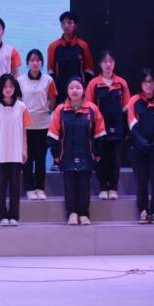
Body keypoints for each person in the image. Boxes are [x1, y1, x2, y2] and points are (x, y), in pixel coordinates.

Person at [48, 78, 105, 225]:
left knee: (85, 186)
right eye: (71, 88)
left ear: (83, 90)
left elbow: (100, 134)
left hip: (87, 155)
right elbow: (53, 135)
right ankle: (72, 213)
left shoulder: (92, 109)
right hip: (66, 155)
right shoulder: (60, 110)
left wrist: (98, 153)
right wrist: (56, 155)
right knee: (69, 187)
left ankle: (84, 214)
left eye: (78, 87)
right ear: (67, 91)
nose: (75, 91)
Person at [127, 68, 154, 223]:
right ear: (141, 84)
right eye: (145, 82)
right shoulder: (133, 101)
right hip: (138, 150)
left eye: (151, 81)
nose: (148, 85)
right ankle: (143, 211)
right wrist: (143, 144)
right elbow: (132, 125)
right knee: (141, 184)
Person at [84, 51, 130, 199]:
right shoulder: (93, 84)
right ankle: (103, 187)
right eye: (105, 61)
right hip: (99, 128)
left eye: (111, 61)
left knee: (115, 159)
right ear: (100, 64)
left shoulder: (121, 83)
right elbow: (89, 108)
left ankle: (113, 188)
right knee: (101, 158)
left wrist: (126, 129)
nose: (108, 64)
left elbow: (126, 108)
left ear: (114, 63)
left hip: (117, 127)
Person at [0, 73, 29, 226]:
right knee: (1, 187)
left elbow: (24, 131)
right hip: (0, 153)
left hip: (16, 152)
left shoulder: (22, 107)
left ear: (15, 88)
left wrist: (24, 150)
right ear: (0, 88)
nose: (8, 89)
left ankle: (14, 215)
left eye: (11, 86)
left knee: (15, 187)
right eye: (5, 86)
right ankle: (3, 215)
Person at [18, 49, 57, 200]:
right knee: (27, 159)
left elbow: (52, 99)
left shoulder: (48, 80)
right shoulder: (20, 80)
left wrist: (47, 111)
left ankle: (40, 188)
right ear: (28, 63)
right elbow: (18, 100)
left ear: (41, 63)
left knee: (41, 158)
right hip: (26, 126)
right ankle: (29, 188)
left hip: (43, 125)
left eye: (38, 60)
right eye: (32, 60)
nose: (35, 63)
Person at [47, 10, 96, 102]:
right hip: (60, 91)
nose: (66, 26)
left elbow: (89, 70)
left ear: (75, 25)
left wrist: (84, 89)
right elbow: (51, 71)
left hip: (78, 90)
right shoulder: (53, 46)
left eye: (69, 23)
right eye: (63, 23)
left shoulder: (83, 46)